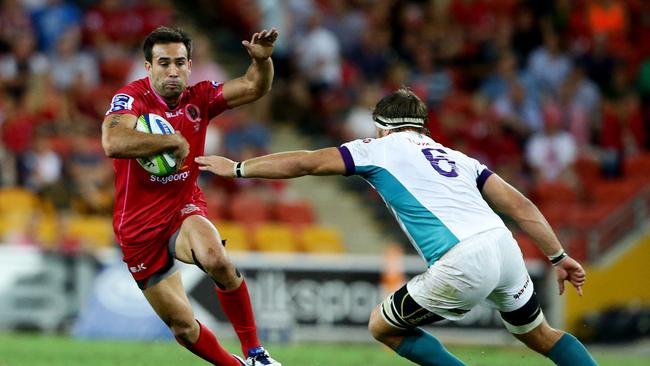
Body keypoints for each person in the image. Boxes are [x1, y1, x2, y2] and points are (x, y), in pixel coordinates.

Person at [195, 88, 599, 366]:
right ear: (421, 125)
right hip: (505, 248)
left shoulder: (379, 148)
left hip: (464, 259)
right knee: (541, 334)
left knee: (383, 326)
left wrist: (238, 167)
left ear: (382, 125)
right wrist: (558, 256)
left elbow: (307, 161)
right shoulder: (458, 158)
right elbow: (521, 204)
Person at [101, 26, 281, 366]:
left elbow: (254, 86)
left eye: (180, 63)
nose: (172, 71)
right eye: (164, 63)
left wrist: (263, 61)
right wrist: (169, 142)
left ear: (190, 65)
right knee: (183, 327)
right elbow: (114, 142)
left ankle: (257, 354)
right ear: (148, 67)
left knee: (216, 257)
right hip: (138, 229)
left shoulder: (200, 96)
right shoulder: (131, 98)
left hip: (183, 209)